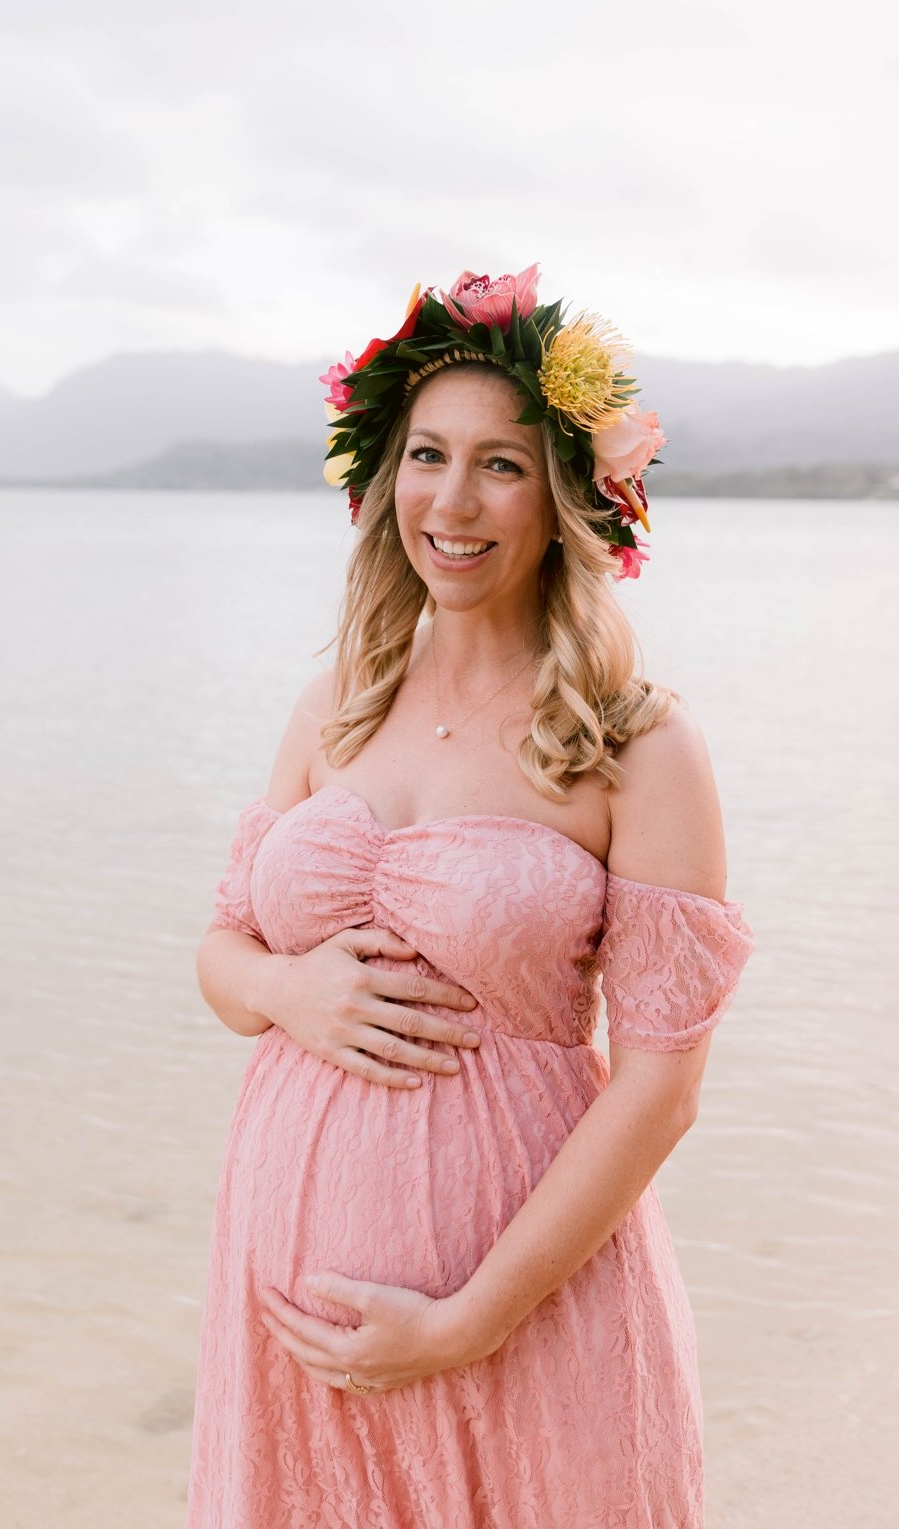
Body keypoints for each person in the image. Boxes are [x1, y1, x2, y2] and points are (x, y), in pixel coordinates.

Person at [188, 265, 754, 1527]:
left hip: (521, 1319)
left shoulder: (638, 741)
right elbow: (222, 953)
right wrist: (287, 984)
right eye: (427, 454)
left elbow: (662, 1085)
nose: (452, 499)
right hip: (291, 1322)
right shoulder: (336, 699)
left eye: (500, 463)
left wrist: (462, 1320)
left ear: (564, 500)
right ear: (385, 474)